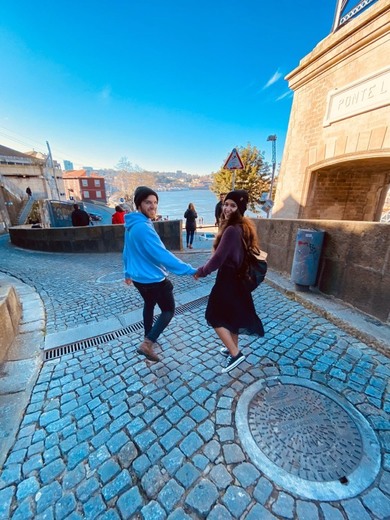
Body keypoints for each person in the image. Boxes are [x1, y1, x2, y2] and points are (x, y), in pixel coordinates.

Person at [123, 186, 197, 362]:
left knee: (149, 304)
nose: (153, 206)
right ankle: (147, 344)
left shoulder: (131, 223)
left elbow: (127, 249)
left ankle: (148, 336)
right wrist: (189, 269)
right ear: (139, 204)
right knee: (168, 310)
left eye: (155, 202)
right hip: (153, 279)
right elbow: (162, 254)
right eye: (148, 202)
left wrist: (127, 271)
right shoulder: (143, 227)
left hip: (139, 279)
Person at [195, 190, 264, 373]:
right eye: (226, 204)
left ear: (240, 209)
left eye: (233, 206)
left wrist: (201, 272)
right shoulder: (242, 227)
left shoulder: (232, 230)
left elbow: (218, 259)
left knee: (213, 315)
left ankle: (236, 354)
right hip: (237, 279)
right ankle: (231, 346)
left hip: (228, 279)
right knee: (232, 317)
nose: (227, 208)